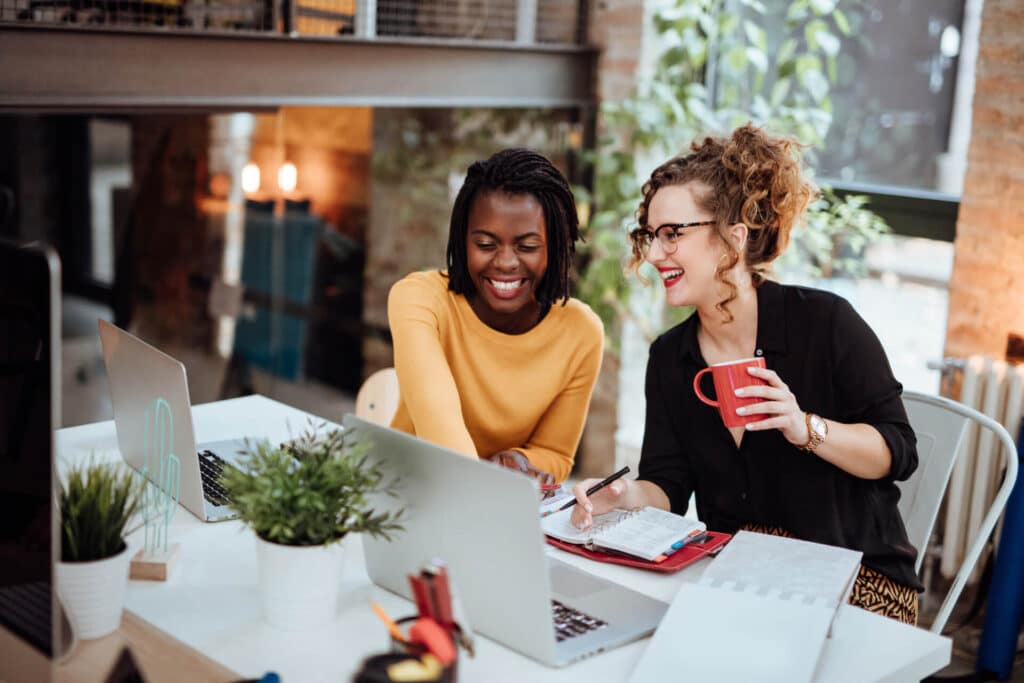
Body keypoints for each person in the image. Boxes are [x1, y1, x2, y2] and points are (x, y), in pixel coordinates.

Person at [571, 124, 922, 624]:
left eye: (672, 234)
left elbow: (898, 453)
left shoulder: (825, 324)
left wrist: (805, 428)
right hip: (742, 576)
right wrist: (622, 498)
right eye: (651, 236)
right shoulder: (671, 358)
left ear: (732, 238)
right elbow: (668, 488)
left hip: (856, 579)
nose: (653, 254)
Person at [387, 148, 603, 484]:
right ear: (462, 241)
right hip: (408, 489)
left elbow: (555, 454)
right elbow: (437, 416)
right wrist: (483, 482)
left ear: (556, 247)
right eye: (486, 244)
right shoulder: (419, 299)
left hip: (497, 501)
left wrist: (519, 460)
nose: (505, 262)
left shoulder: (581, 332)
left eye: (528, 247)